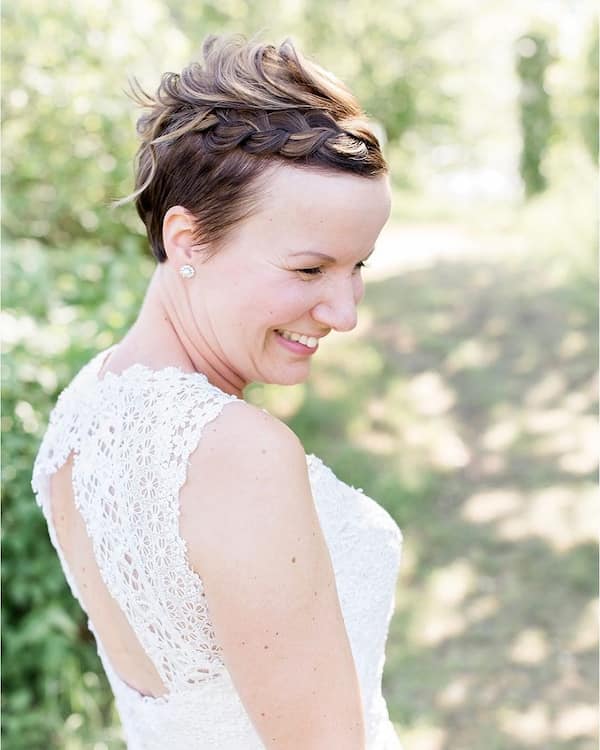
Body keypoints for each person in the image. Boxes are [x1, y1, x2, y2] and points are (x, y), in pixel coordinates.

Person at [32, 33, 403, 749]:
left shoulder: (83, 407)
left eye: (358, 265)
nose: (346, 312)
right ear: (188, 241)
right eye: (308, 270)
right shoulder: (239, 455)